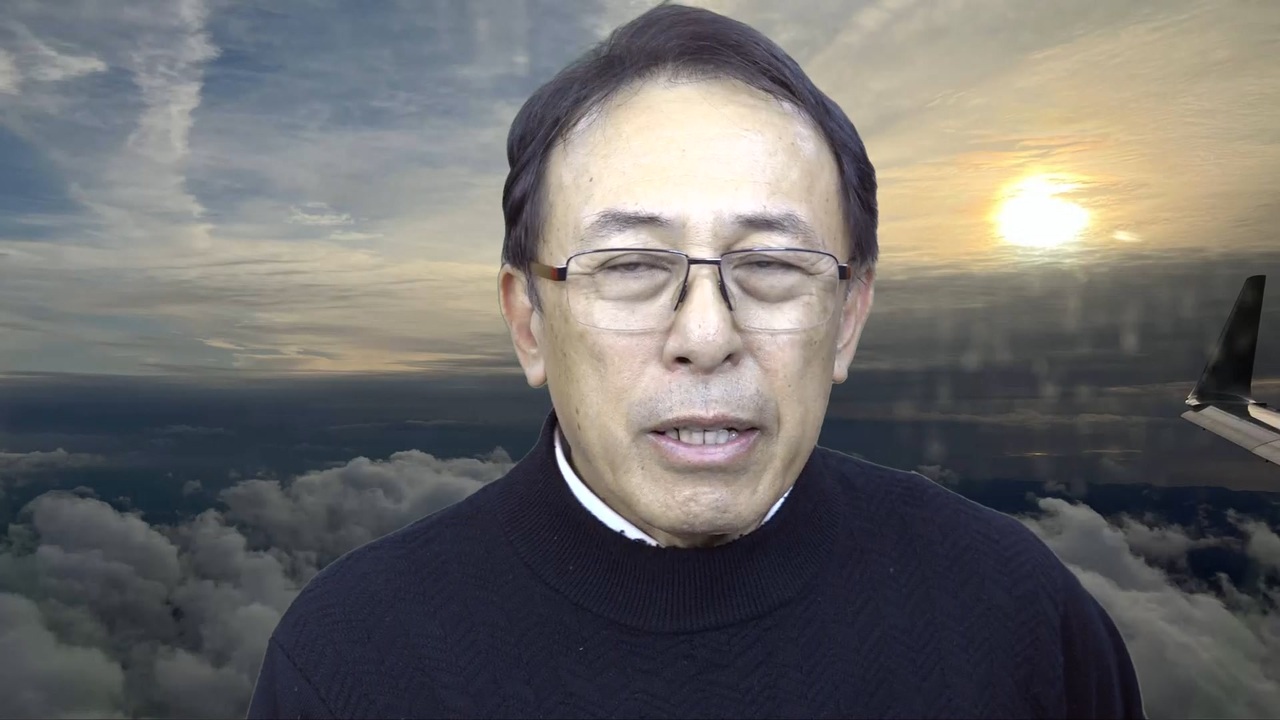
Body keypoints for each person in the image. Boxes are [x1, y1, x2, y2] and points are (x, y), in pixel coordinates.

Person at [247, 3, 1147, 718]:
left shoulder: (1018, 614)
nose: (708, 334)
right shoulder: (350, 664)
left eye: (774, 266)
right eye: (631, 267)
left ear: (848, 319)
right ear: (528, 321)